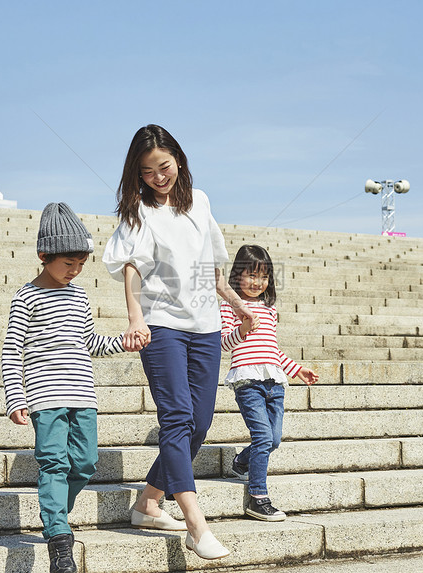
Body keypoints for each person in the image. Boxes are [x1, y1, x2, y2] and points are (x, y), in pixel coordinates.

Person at [102, 124, 258, 561]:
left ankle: (148, 503)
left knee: (200, 423)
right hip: (161, 326)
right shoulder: (138, 212)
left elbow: (209, 267)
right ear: (137, 173)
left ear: (179, 161)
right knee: (177, 418)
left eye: (164, 166)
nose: (158, 177)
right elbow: (131, 268)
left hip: (205, 325)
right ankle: (196, 525)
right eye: (147, 170)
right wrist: (136, 319)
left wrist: (237, 306)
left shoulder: (200, 201)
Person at [2, 202, 129, 573]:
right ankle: (59, 537)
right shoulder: (26, 297)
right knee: (53, 463)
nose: (74, 272)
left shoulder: (78, 296)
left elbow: (90, 342)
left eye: (79, 265)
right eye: (67, 264)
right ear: (44, 256)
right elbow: (12, 350)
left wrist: (124, 341)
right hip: (45, 396)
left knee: (85, 463)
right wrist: (15, 397)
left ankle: (54, 515)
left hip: (83, 395)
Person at [220, 244, 319, 521]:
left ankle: (242, 460)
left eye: (263, 277)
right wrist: (242, 329)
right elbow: (224, 343)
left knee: (273, 439)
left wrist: (297, 369)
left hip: (274, 382)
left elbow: (272, 351)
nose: (257, 282)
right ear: (237, 275)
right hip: (247, 381)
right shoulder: (229, 307)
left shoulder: (269, 310)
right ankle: (258, 497)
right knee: (263, 436)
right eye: (251, 275)